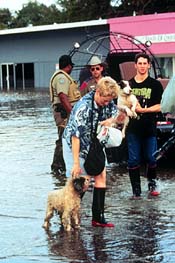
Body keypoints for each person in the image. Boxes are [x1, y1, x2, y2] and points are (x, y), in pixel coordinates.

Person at [62, 76, 123, 227]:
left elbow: (118, 114)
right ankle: (66, 215)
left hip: (94, 142)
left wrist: (112, 120)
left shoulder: (108, 102)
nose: (107, 103)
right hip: (75, 143)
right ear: (98, 92)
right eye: (106, 99)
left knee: (101, 173)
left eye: (110, 100)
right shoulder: (84, 107)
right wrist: (76, 163)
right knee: (81, 179)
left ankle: (98, 217)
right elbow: (76, 136)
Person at [127, 53, 163, 199]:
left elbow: (161, 106)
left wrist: (144, 110)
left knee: (151, 158)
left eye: (144, 63)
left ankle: (152, 184)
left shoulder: (155, 84)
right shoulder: (128, 85)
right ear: (135, 65)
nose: (142, 66)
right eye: (139, 63)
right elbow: (122, 105)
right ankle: (136, 191)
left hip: (149, 128)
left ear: (149, 65)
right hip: (132, 128)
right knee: (133, 160)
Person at [50, 54, 81, 176]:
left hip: (65, 112)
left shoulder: (61, 77)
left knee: (65, 138)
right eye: (71, 66)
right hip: (64, 113)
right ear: (68, 66)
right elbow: (63, 96)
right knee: (63, 138)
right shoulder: (61, 78)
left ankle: (60, 167)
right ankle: (58, 166)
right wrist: (72, 113)